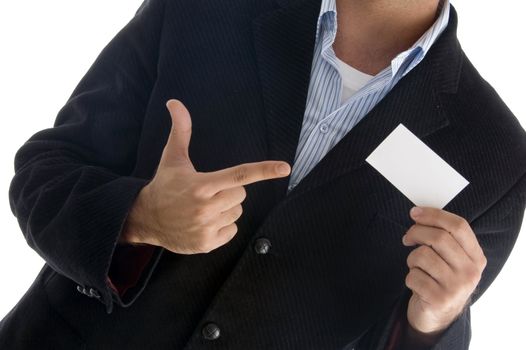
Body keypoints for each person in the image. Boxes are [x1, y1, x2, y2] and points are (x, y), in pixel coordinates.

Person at [1, 0, 525, 348]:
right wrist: (140, 216)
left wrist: (433, 326)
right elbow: (43, 174)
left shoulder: (496, 156)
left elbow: (407, 333)